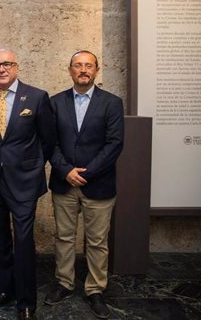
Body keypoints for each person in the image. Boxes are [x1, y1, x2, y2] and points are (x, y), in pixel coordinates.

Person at [0, 48, 55, 320]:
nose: (1, 69)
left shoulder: (36, 97)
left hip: (24, 182)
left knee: (23, 240)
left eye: (7, 64)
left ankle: (26, 301)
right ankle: (3, 289)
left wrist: (29, 166)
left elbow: (48, 140)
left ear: (16, 67)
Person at [45, 50, 124, 319]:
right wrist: (66, 170)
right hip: (64, 183)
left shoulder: (112, 103)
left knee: (97, 241)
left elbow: (114, 144)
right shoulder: (55, 103)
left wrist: (87, 173)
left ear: (96, 70)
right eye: (78, 65)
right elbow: (49, 143)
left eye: (88, 65)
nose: (83, 70)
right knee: (64, 237)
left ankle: (95, 290)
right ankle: (64, 283)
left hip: (98, 184)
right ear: (69, 70)